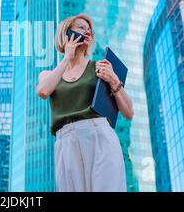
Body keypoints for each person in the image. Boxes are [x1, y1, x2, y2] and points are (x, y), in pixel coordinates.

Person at [36, 14, 134, 192]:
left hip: (100, 136)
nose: (87, 31)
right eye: (81, 27)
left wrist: (113, 79)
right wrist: (67, 57)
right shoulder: (48, 75)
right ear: (66, 34)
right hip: (66, 142)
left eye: (90, 30)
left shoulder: (100, 67)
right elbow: (43, 91)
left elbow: (129, 112)